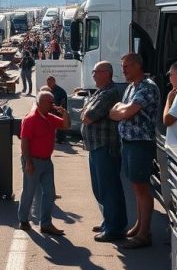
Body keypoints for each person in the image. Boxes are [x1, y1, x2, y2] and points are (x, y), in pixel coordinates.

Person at [109, 53, 160, 249]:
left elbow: (126, 112)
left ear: (138, 66)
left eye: (127, 66)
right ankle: (139, 225)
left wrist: (121, 110)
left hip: (140, 143)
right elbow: (116, 110)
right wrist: (121, 110)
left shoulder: (147, 87)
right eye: (122, 66)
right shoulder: (131, 87)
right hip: (129, 142)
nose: (123, 70)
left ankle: (144, 234)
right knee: (136, 187)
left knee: (142, 187)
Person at [79, 61, 126, 242]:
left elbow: (88, 117)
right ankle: (109, 221)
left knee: (109, 188)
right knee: (100, 188)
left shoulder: (109, 93)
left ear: (106, 73)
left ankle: (115, 228)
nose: (93, 75)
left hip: (105, 146)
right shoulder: (100, 92)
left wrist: (86, 113)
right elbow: (85, 112)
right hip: (95, 146)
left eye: (95, 72)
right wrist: (86, 113)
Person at [18, 91, 69, 235]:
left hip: (46, 161)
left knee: (49, 193)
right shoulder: (30, 119)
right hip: (32, 160)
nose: (52, 105)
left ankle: (46, 224)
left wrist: (65, 113)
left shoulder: (49, 117)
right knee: (29, 191)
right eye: (49, 102)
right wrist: (28, 162)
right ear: (40, 103)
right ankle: (23, 220)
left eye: (53, 102)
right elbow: (25, 142)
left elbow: (66, 125)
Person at [47, 75, 68, 143]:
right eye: (48, 83)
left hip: (59, 110)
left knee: (60, 124)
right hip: (51, 109)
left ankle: (61, 139)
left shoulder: (60, 91)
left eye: (50, 83)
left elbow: (63, 102)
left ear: (54, 82)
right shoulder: (49, 90)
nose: (48, 84)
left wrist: (60, 110)